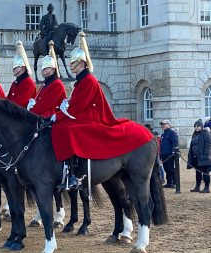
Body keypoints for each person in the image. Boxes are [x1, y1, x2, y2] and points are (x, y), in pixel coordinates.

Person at [51, 32, 153, 189]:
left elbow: (79, 105)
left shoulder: (88, 80)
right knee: (61, 127)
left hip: (93, 118)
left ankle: (74, 174)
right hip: (82, 116)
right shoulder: (79, 81)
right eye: (72, 62)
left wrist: (58, 115)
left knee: (66, 129)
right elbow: (74, 103)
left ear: (82, 63)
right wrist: (64, 106)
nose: (72, 65)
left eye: (75, 63)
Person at [28, 41, 66, 117]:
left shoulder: (57, 84)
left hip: (51, 116)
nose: (43, 70)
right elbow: (38, 101)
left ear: (53, 69)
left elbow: (44, 104)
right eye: (42, 68)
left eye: (46, 68)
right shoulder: (44, 84)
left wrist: (29, 113)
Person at [7, 41, 37, 108]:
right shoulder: (15, 83)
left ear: (22, 67)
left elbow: (20, 103)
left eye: (15, 67)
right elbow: (8, 99)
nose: (13, 69)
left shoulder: (28, 83)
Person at [187, 119, 211, 193]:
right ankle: (197, 186)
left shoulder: (206, 133)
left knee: (205, 172)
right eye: (195, 126)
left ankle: (206, 188)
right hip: (196, 157)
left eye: (198, 126)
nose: (196, 128)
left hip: (203, 157)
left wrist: (205, 154)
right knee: (198, 172)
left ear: (201, 126)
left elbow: (208, 144)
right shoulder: (195, 135)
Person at [159, 119, 179, 188]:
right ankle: (169, 182)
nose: (162, 125)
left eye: (164, 124)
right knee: (166, 169)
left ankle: (174, 182)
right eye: (162, 124)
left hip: (170, 154)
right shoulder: (163, 135)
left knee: (171, 169)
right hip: (164, 154)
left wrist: (173, 151)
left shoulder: (172, 133)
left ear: (169, 125)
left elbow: (175, 142)